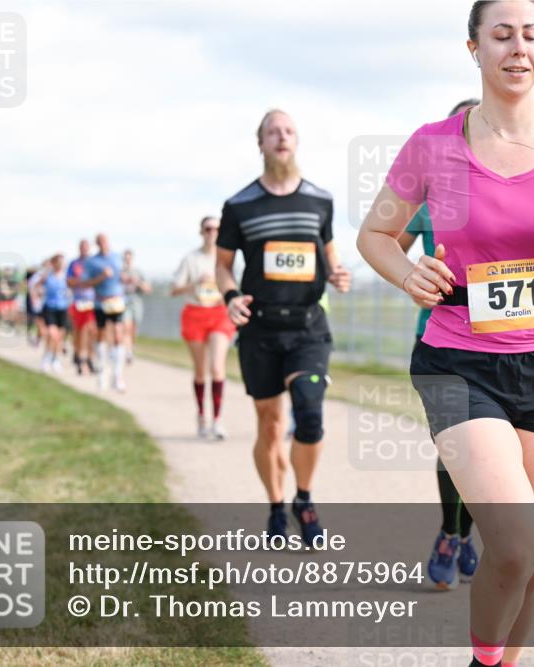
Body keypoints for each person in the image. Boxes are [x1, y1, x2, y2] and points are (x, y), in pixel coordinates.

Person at [356, 3, 534, 665]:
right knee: (514, 542)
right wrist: (407, 274)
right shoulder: (435, 144)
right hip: (458, 361)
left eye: (531, 35)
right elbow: (374, 235)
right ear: (474, 48)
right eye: (502, 35)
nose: (518, 49)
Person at [217, 108, 352, 544]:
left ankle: (305, 499)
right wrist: (231, 296)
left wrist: (338, 273)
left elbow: (330, 256)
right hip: (260, 329)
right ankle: (276, 505)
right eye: (272, 131)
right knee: (270, 424)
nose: (282, 136)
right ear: (260, 143)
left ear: (297, 141)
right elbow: (223, 268)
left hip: (308, 326)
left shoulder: (320, 200)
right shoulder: (238, 205)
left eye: (289, 130)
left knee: (310, 414)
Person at [398, 97, 482, 590]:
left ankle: (464, 533)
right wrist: (412, 279)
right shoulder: (429, 199)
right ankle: (450, 535)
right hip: (438, 338)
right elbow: (389, 245)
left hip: (504, 344)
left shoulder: (516, 191)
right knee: (455, 447)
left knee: (487, 451)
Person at [172, 216, 237, 439]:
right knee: (200, 370)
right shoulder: (191, 258)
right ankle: (202, 416)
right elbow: (174, 289)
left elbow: (239, 284)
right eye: (208, 229)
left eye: (217, 229)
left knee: (217, 367)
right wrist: (196, 283)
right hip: (195, 313)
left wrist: (226, 293)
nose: (212, 233)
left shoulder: (228, 257)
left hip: (219, 313)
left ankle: (217, 420)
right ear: (201, 232)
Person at [81, 233, 127, 392]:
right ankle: (102, 372)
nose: (103, 244)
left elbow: (123, 277)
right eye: (100, 242)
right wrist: (101, 277)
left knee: (118, 334)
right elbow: (86, 282)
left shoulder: (117, 258)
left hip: (117, 302)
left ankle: (118, 375)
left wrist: (126, 279)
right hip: (100, 302)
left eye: (105, 241)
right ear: (97, 244)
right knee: (101, 336)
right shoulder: (92, 262)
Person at [66, 239, 99, 376]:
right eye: (82, 247)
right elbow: (69, 281)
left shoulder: (94, 264)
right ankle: (79, 356)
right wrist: (82, 282)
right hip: (78, 302)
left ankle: (89, 359)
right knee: (79, 331)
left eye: (86, 247)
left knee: (91, 330)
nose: (84, 249)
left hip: (92, 302)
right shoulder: (74, 264)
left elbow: (99, 281)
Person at [38, 254, 70, 373]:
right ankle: (47, 358)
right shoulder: (48, 276)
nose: (61, 264)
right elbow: (37, 285)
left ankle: (55, 359)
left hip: (63, 308)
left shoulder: (66, 276)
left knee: (59, 337)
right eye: (59, 262)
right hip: (50, 308)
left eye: (63, 262)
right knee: (52, 335)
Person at [121, 248, 152, 365]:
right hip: (124, 303)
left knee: (133, 329)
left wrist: (137, 282)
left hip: (136, 303)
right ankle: (128, 352)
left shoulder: (138, 272)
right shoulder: (120, 272)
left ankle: (131, 347)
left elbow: (148, 288)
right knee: (126, 327)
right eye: (125, 258)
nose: (127, 260)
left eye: (129, 258)